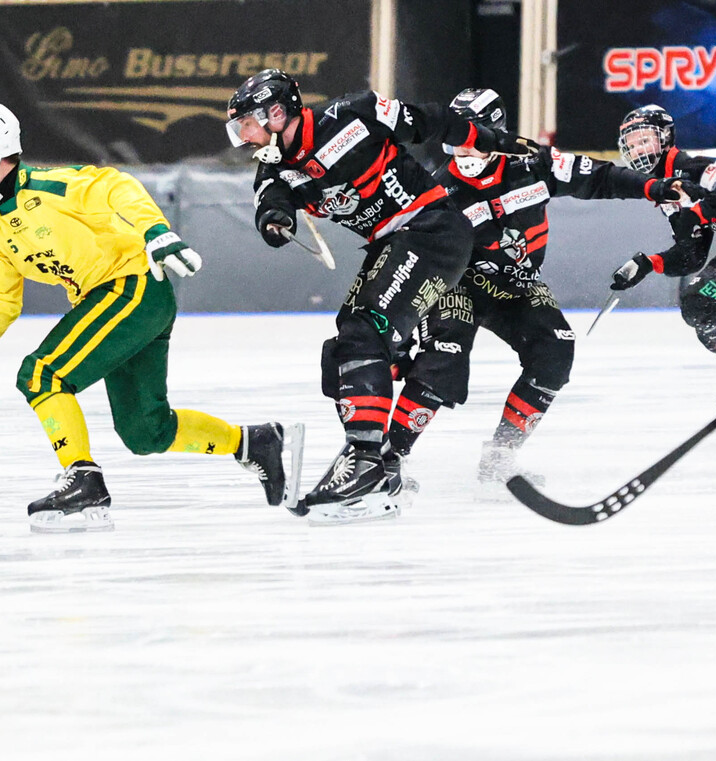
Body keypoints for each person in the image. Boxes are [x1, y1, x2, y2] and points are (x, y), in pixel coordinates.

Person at [0, 103, 303, 533]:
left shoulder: (52, 186)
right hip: (118, 302)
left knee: (41, 374)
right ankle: (255, 442)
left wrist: (157, 231)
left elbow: (116, 186)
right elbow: (2, 298)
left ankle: (83, 478)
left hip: (132, 287)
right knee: (146, 432)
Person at [224, 69, 540, 523]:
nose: (245, 138)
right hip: (393, 244)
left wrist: (494, 140)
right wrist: (275, 220)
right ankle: (381, 463)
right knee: (344, 349)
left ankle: (367, 458)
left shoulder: (352, 114)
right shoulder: (276, 168)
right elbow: (270, 198)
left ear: (277, 112)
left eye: (248, 124)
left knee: (365, 331)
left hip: (432, 230)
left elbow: (433, 121)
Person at [384, 89, 691, 487]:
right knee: (445, 358)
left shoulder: (534, 164)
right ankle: (387, 460)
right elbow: (407, 259)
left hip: (517, 284)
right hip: (460, 284)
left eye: (470, 136)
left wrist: (654, 188)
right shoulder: (437, 192)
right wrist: (399, 337)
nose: (461, 148)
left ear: (494, 133)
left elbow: (599, 176)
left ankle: (500, 456)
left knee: (556, 350)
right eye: (453, 138)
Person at [609, 104, 716, 409]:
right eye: (632, 145)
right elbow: (692, 255)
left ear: (665, 138)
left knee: (700, 303)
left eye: (644, 140)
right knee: (709, 319)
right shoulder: (668, 191)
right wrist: (649, 264)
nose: (638, 151)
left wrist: (698, 210)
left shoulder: (691, 164)